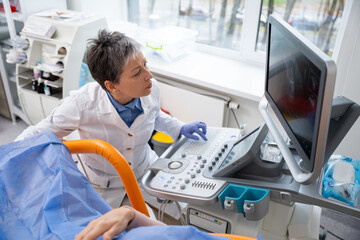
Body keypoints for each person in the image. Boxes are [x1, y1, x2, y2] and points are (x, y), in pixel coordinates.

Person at [15, 29, 208, 208]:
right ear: (111, 85)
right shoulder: (82, 103)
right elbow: (36, 133)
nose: (149, 75)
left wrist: (180, 127)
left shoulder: (151, 88)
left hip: (145, 170)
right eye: (137, 72)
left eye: (145, 65)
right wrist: (7, 156)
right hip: (104, 187)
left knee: (183, 212)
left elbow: (153, 116)